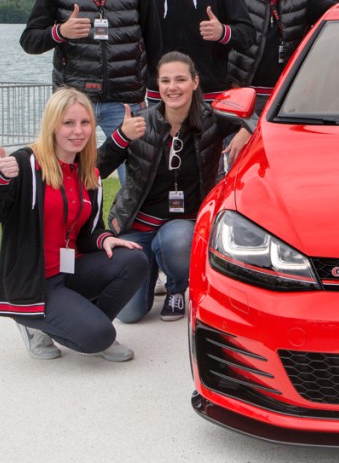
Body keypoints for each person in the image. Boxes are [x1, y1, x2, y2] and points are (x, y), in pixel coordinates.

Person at [0, 87, 147, 361]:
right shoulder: (25, 165)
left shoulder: (89, 172)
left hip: (71, 270)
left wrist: (104, 238)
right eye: (68, 123)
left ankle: (88, 323)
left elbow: (88, 233)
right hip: (35, 283)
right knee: (98, 336)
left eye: (85, 122)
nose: (78, 131)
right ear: (53, 126)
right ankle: (35, 322)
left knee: (134, 260)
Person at [98, 51, 252, 322]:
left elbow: (260, 116)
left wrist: (245, 130)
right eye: (166, 80)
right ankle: (149, 268)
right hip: (138, 226)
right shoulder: (139, 122)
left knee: (177, 240)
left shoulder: (212, 119)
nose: (173, 87)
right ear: (157, 85)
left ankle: (176, 287)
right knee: (129, 314)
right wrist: (120, 137)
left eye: (180, 79)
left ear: (195, 82)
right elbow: (95, 169)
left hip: (182, 226)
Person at [20, 0, 162, 185]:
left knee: (137, 182)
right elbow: (30, 40)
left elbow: (154, 42)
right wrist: (60, 32)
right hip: (73, 99)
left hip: (125, 100)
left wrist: (149, 93)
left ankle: (126, 219)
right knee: (62, 180)